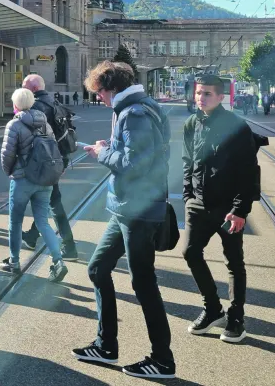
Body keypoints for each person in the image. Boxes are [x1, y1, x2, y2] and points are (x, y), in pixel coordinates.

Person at [73, 60, 175, 379]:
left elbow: (135, 164)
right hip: (126, 207)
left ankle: (162, 360)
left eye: (100, 93)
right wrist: (109, 146)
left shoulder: (135, 113)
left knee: (143, 282)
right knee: (98, 268)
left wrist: (102, 153)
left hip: (138, 209)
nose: (99, 99)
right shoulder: (136, 107)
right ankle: (106, 346)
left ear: (111, 88)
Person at [181, 75, 259, 343]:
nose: (201, 98)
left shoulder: (236, 126)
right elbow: (187, 161)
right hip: (198, 204)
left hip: (228, 208)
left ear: (221, 97)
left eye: (207, 94)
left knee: (234, 261)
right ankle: (213, 308)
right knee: (190, 252)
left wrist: (240, 210)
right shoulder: (191, 123)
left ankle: (236, 317)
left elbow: (248, 172)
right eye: (199, 93)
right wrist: (188, 195)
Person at [0, 87, 68, 281]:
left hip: (22, 180)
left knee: (15, 221)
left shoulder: (14, 125)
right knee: (43, 222)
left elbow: (7, 154)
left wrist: (10, 172)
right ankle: (58, 260)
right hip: (44, 180)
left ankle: (14, 261)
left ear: (16, 104)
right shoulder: (45, 123)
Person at [20, 74, 79, 260]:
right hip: (59, 158)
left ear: (33, 89)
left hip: (45, 163)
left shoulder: (37, 107)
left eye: (24, 87)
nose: (23, 91)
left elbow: (30, 139)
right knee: (45, 199)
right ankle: (31, 236)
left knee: (53, 203)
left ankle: (69, 247)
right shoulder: (54, 103)